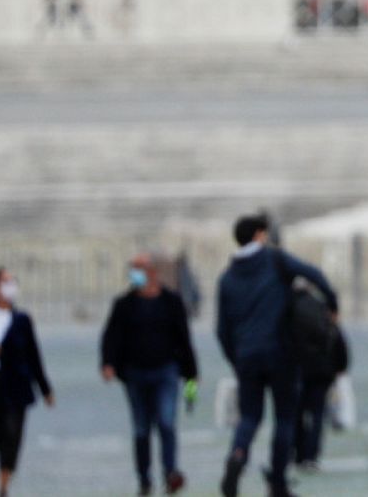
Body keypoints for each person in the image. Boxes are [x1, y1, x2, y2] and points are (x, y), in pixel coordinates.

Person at [216, 213, 339, 497]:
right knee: (284, 419)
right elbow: (314, 274)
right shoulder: (275, 260)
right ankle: (277, 482)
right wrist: (332, 303)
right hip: (280, 352)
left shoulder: (227, 277)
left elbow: (222, 329)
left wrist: (236, 359)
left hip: (246, 356)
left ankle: (237, 456)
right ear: (260, 235)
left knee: (249, 418)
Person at [100, 253, 200, 495]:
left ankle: (170, 473)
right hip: (134, 374)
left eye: (139, 269)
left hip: (167, 371)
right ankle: (144, 479)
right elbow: (111, 337)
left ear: (153, 272)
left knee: (166, 422)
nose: (134, 273)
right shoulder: (124, 304)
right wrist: (108, 364)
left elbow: (184, 339)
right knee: (141, 429)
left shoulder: (171, 302)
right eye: (132, 268)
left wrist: (191, 377)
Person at [0, 268, 54, 497]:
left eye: (12, 282)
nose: (10, 286)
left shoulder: (22, 320)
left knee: (11, 435)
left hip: (16, 383)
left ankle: (4, 485)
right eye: (5, 282)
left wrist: (45, 388)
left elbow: (33, 355)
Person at [294, 296, 348, 472]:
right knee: (317, 416)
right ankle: (312, 456)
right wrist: (339, 370)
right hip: (323, 375)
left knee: (298, 414)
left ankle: (298, 454)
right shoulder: (328, 324)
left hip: (301, 373)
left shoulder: (297, 322)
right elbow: (341, 349)